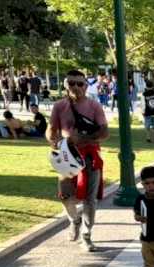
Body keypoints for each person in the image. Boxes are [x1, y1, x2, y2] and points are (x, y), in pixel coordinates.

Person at [47, 69, 110, 252]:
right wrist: (54, 139)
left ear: (86, 85)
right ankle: (74, 220)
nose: (76, 87)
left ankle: (86, 235)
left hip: (89, 157)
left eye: (80, 83)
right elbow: (51, 130)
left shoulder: (94, 106)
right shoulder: (59, 106)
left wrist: (84, 138)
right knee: (65, 195)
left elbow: (104, 132)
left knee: (90, 199)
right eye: (71, 83)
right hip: (67, 156)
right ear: (66, 85)